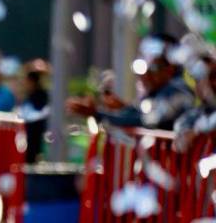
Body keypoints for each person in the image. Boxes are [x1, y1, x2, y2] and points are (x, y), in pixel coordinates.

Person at [67, 33, 195, 131]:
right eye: (141, 67)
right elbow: (139, 114)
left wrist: (97, 114)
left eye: (152, 68)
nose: (144, 75)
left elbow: (146, 120)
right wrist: (124, 109)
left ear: (170, 69)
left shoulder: (179, 92)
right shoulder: (158, 93)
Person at [19, 60, 50, 163]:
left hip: (36, 138)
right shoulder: (28, 97)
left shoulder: (41, 96)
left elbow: (39, 115)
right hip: (28, 138)